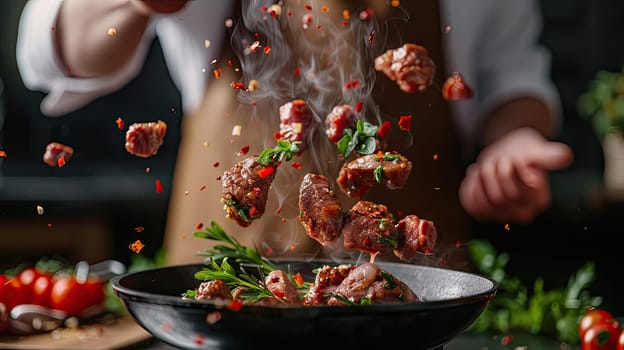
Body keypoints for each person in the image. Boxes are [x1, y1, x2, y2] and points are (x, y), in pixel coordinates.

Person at [15, 0, 573, 270]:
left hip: (414, 295)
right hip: (225, 286)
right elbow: (49, 46)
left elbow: (514, 80)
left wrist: (512, 142)